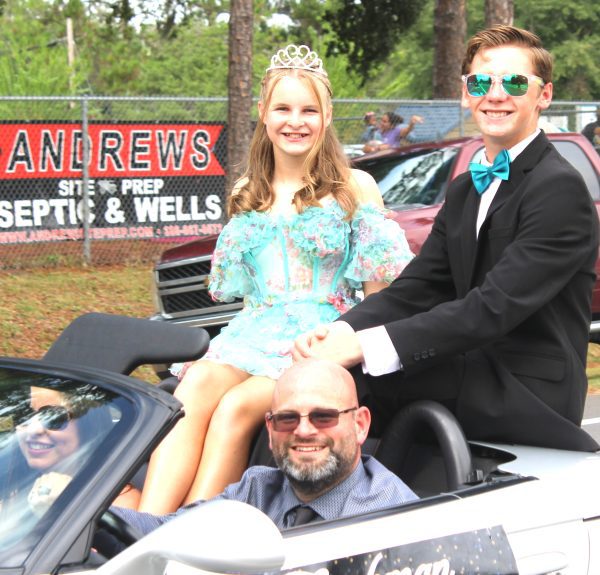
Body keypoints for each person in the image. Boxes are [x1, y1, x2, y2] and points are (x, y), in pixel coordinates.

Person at [135, 44, 414, 514]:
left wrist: (348, 346)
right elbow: (251, 299)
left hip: (320, 340)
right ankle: (144, 526)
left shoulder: (353, 186)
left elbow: (379, 295)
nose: (295, 121)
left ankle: (189, 534)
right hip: (255, 332)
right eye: (283, 108)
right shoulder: (249, 191)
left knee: (237, 406)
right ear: (263, 113)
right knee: (195, 386)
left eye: (309, 110)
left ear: (327, 116)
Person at [293, 25, 600, 452]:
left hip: (526, 389)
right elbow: (418, 287)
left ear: (543, 95)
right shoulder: (464, 190)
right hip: (465, 368)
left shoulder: (559, 188)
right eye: (481, 83)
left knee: (340, 388)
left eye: (514, 82)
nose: (495, 95)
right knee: (306, 384)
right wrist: (338, 332)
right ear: (465, 92)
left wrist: (361, 346)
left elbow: (492, 307)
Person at [112, 359, 418, 535]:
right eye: (287, 419)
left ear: (360, 424)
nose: (304, 430)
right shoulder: (257, 490)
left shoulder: (394, 520)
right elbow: (167, 531)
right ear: (270, 430)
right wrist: (96, 516)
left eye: (323, 416)